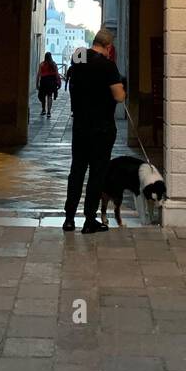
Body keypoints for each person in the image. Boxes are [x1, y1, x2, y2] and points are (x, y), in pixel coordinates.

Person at [63, 27, 125, 234]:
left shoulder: (79, 57)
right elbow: (119, 96)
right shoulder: (109, 66)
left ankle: (69, 219)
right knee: (97, 174)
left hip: (80, 126)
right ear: (108, 47)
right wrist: (121, 86)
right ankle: (90, 220)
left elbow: (79, 56)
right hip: (102, 128)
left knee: (77, 172)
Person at [36, 52, 61, 118]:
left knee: (42, 96)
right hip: (51, 82)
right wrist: (59, 82)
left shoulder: (42, 64)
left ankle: (43, 109)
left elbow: (38, 75)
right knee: (49, 96)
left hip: (44, 81)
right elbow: (57, 74)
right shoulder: (54, 64)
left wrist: (37, 83)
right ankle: (49, 112)